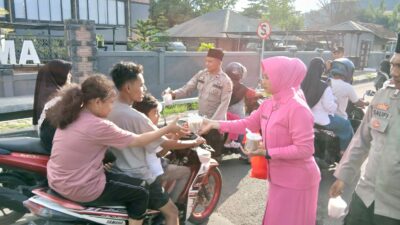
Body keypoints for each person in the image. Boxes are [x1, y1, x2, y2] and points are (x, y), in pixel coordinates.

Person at [46, 75, 184, 225]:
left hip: (56, 181)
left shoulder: (72, 115)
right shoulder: (98, 125)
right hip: (81, 188)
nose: (112, 107)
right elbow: (138, 140)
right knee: (141, 192)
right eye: (111, 103)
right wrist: (167, 129)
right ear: (98, 102)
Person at [200, 56, 321, 225]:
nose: (262, 81)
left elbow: (305, 149)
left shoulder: (298, 108)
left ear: (283, 78)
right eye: (263, 76)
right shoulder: (269, 104)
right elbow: (247, 123)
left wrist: (266, 152)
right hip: (278, 177)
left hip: (298, 181)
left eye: (267, 77)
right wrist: (214, 123)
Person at [107, 62, 202, 225]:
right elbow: (165, 144)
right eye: (142, 85)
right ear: (128, 88)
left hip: (117, 174)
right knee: (172, 213)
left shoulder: (107, 109)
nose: (144, 89)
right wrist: (194, 142)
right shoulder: (136, 117)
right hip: (140, 176)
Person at [329, 32, 400, 225]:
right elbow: (361, 140)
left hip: (394, 209)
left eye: (399, 66)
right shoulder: (383, 97)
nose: (394, 72)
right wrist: (343, 176)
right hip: (365, 196)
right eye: (393, 64)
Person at [165, 48, 233, 161]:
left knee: (212, 157)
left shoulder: (226, 81)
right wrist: (173, 94)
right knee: (196, 154)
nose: (207, 63)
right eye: (206, 61)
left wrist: (210, 125)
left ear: (219, 62)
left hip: (215, 124)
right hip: (199, 121)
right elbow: (187, 88)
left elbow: (224, 105)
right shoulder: (201, 74)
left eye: (210, 61)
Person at [132, 93, 201, 203]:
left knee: (167, 159)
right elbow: (167, 145)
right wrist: (194, 142)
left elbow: (160, 151)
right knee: (186, 172)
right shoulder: (148, 127)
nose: (158, 116)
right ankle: (172, 203)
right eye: (155, 113)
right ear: (144, 115)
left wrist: (176, 136)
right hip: (151, 172)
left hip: (141, 167)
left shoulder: (134, 124)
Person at [301, 57, 353, 154]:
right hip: (322, 120)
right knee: (346, 125)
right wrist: (335, 103)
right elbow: (330, 107)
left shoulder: (302, 84)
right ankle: (344, 152)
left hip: (306, 119)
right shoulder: (324, 87)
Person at [32, 60, 72, 150]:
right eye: (68, 73)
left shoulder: (47, 93)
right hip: (56, 144)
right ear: (59, 76)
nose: (70, 76)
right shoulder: (57, 98)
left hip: (49, 140)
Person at [223, 62, 262, 149]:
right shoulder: (243, 88)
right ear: (241, 75)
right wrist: (261, 93)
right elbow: (254, 94)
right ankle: (237, 143)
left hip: (224, 115)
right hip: (237, 118)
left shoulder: (224, 84)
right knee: (244, 123)